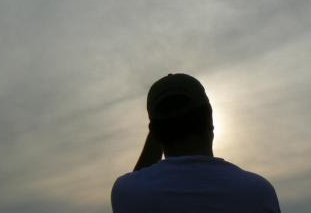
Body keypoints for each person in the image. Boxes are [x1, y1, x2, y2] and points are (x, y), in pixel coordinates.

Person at [111, 73, 281, 212]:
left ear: (155, 133)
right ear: (209, 119)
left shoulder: (127, 192)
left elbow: (137, 181)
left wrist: (158, 130)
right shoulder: (258, 193)